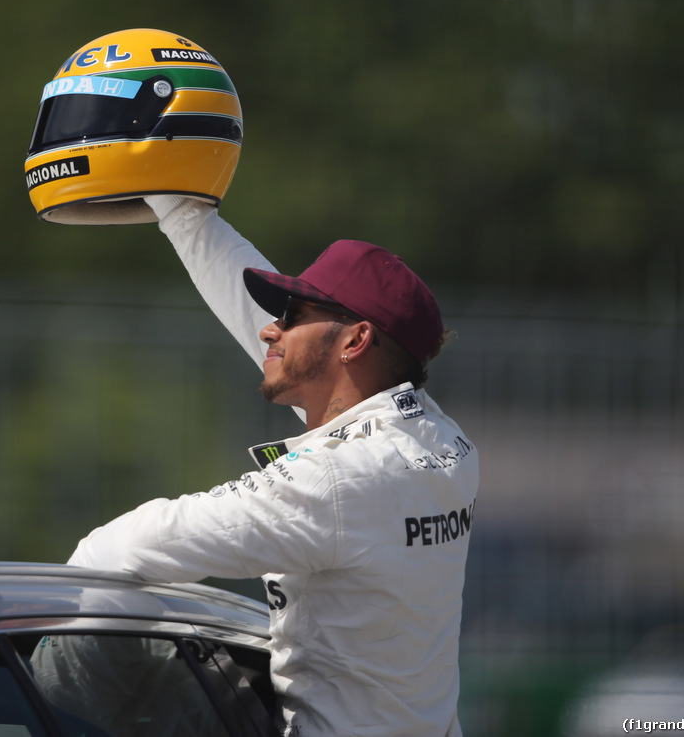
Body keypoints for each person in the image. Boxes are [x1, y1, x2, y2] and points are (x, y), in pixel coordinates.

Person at [63, 194, 479, 737]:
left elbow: (116, 552)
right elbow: (294, 343)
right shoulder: (441, 439)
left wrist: (30, 651)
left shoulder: (334, 481)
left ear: (356, 340)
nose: (268, 331)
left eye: (295, 316)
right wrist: (181, 212)